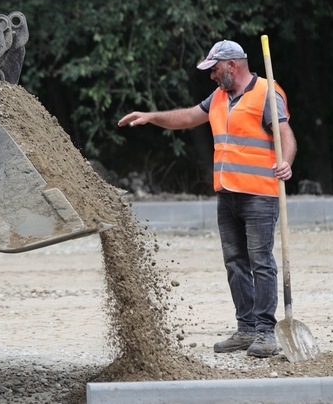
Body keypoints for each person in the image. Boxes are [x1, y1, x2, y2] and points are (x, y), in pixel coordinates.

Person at [118, 39, 296, 357]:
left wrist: (287, 162)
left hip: (259, 194)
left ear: (232, 65)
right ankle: (246, 329)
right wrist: (151, 116)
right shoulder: (219, 97)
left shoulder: (267, 93)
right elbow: (188, 117)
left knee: (261, 263)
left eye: (214, 69)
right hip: (227, 193)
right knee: (235, 263)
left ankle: (266, 333)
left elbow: (285, 134)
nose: (212, 76)